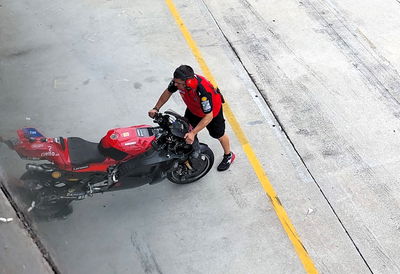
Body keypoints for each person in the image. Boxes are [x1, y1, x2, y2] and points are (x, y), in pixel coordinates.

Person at [148, 65, 235, 171]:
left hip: (212, 113)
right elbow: (168, 92)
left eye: (178, 83)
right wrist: (156, 108)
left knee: (218, 134)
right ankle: (189, 152)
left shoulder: (203, 91)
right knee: (184, 132)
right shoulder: (179, 82)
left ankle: (228, 156)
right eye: (175, 82)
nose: (175, 85)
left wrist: (193, 133)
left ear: (188, 82)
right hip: (194, 110)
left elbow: (209, 116)